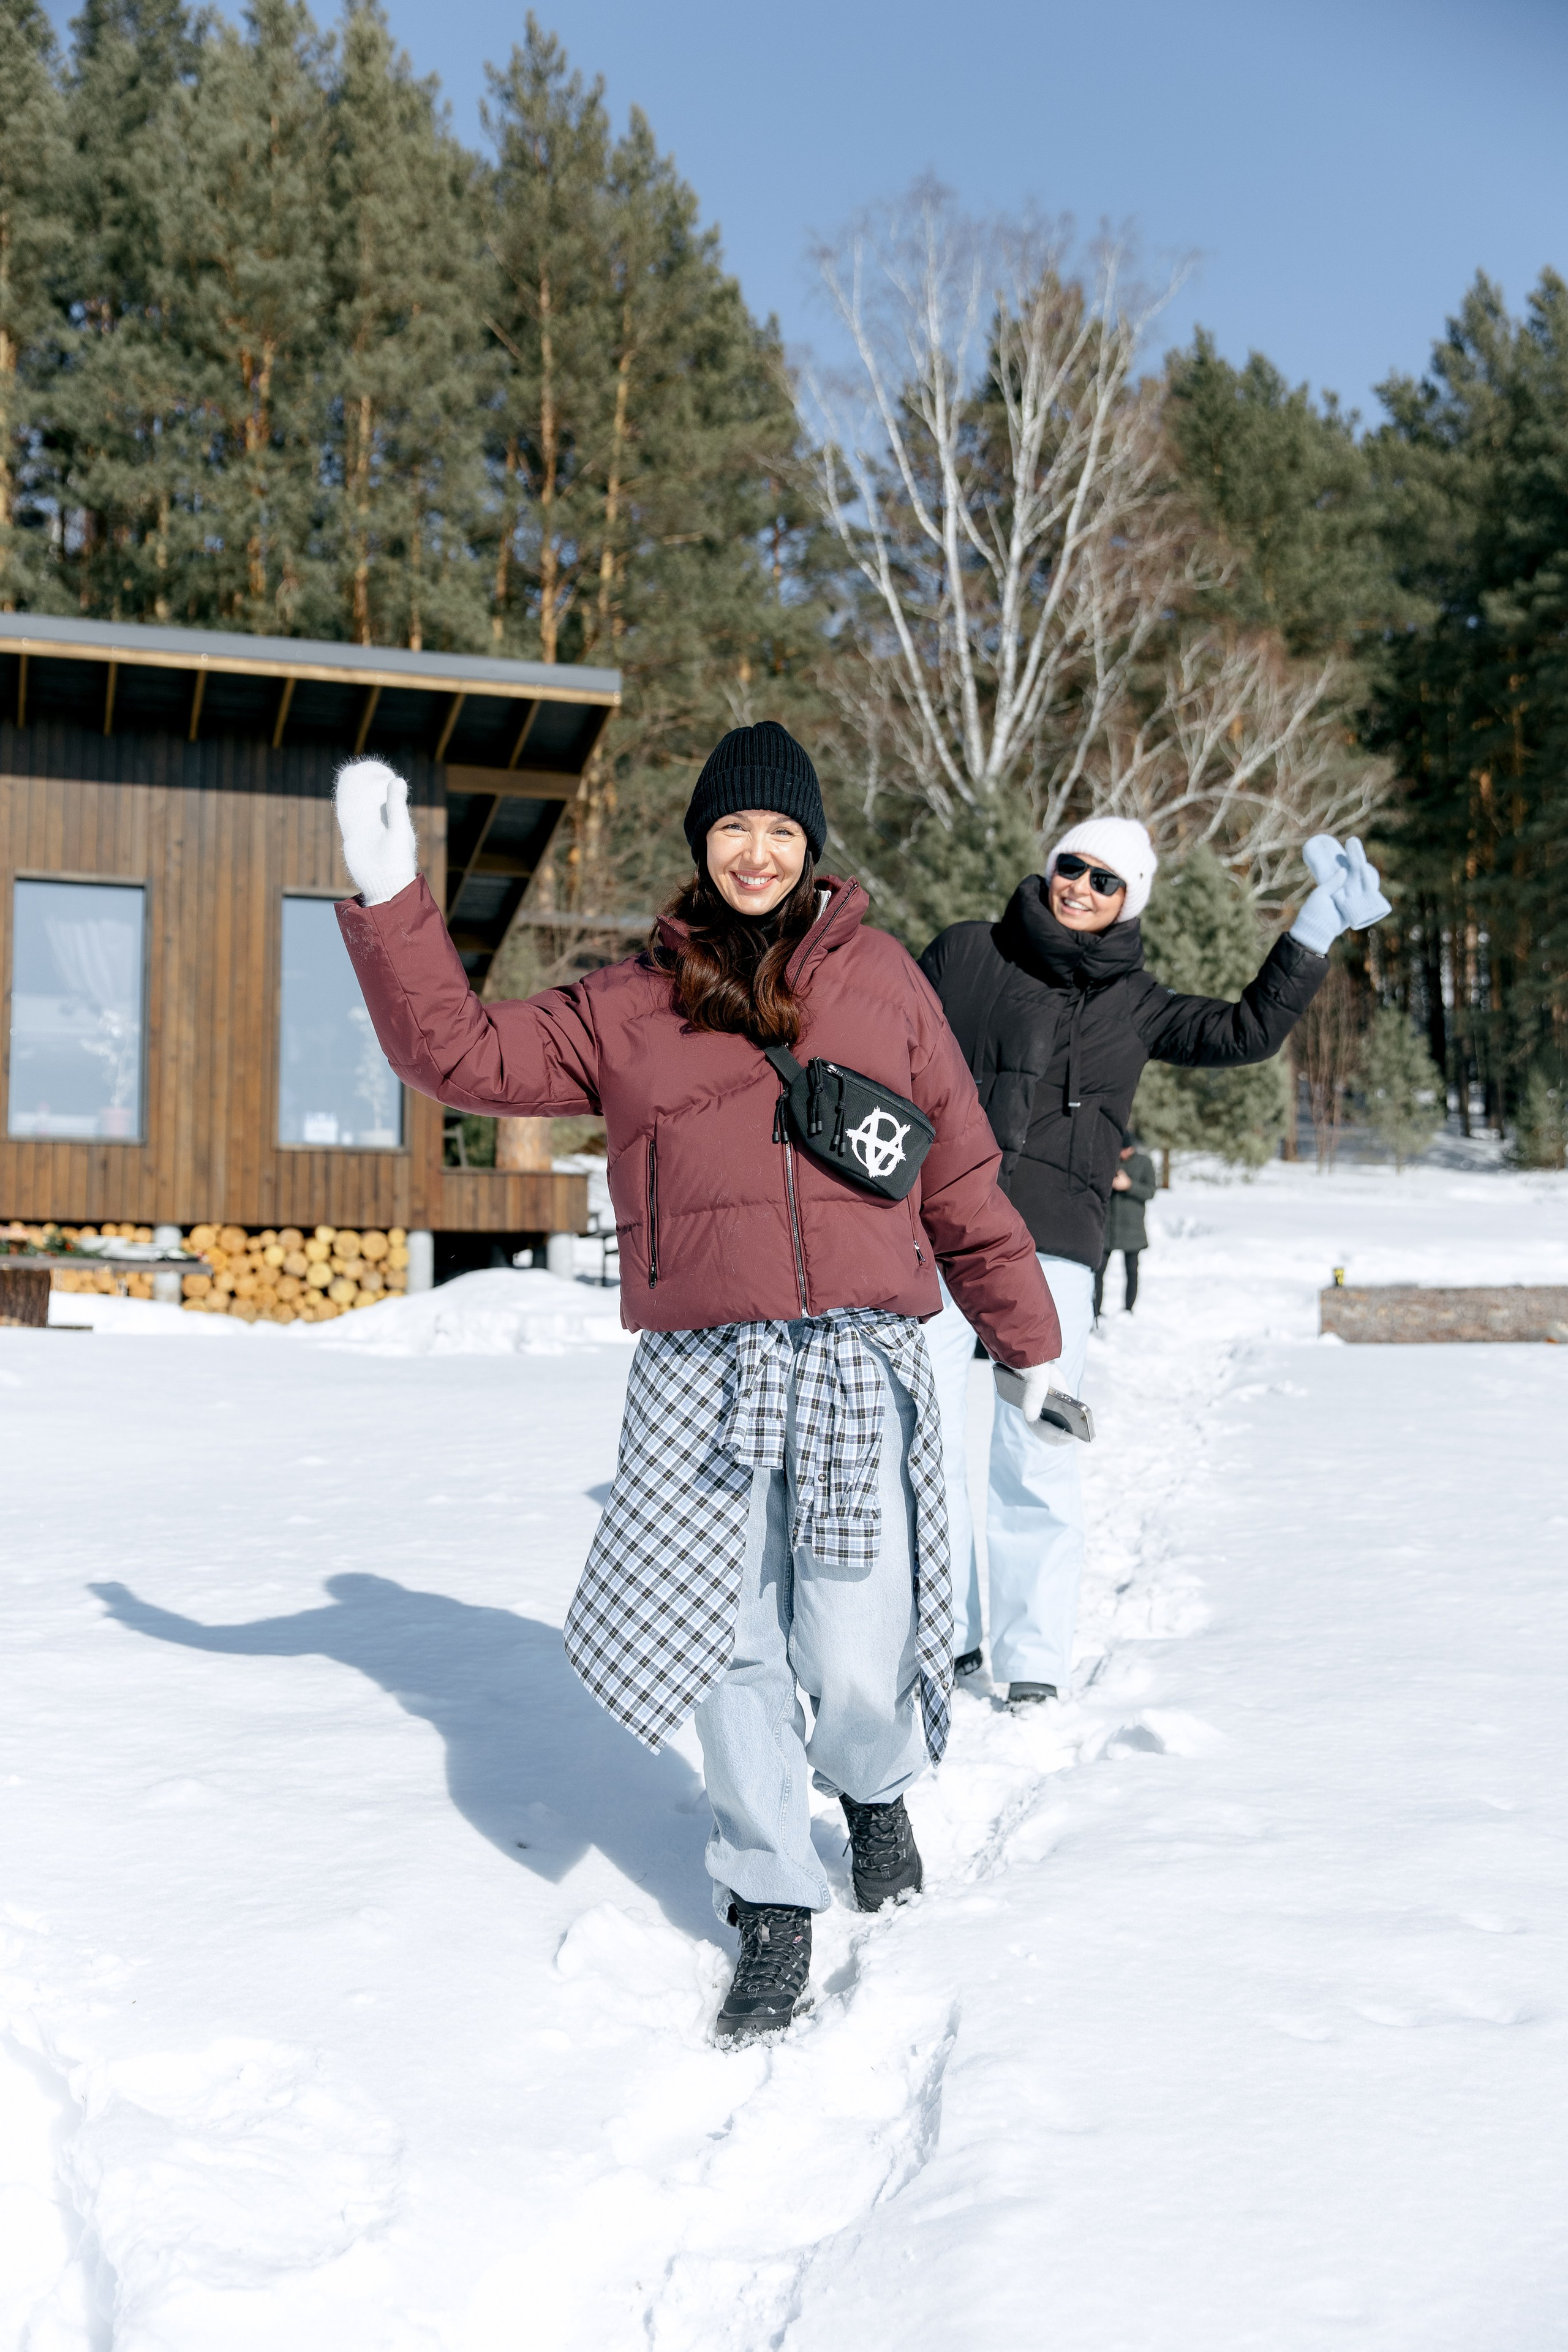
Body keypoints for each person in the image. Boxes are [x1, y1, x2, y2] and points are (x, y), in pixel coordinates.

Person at [331, 721, 1061, 2045]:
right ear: (701, 842)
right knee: (727, 1647)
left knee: (856, 1643)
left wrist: (1024, 1338)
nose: (757, 852)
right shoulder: (631, 1003)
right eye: (734, 828)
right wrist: (389, 900)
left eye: (781, 831)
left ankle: (872, 1789)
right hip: (700, 1375)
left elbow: (956, 1172)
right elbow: (462, 1055)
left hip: (855, 1359)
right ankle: (771, 1895)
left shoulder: (885, 982)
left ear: (810, 847)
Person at [920, 817, 1391, 1708]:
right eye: (1072, 867)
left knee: (1037, 1447)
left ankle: (1033, 1660)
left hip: (1054, 1246)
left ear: (1129, 898)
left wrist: (1314, 929)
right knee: (924, 1439)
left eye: (1106, 880)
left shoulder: (1137, 1003)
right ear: (1049, 867)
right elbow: (882, 1032)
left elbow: (1248, 1030)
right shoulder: (967, 954)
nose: (1081, 887)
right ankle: (946, 1635)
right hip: (942, 1229)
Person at [1094, 1129, 1156, 1319]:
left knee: (1131, 1272)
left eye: (1127, 1149)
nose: (1123, 1153)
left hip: (1133, 1227)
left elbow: (1150, 1192)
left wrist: (1129, 1186)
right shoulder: (1108, 1160)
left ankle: (1128, 1309)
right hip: (1109, 1227)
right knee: (1099, 1272)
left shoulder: (1144, 1163)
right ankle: (1096, 1311)